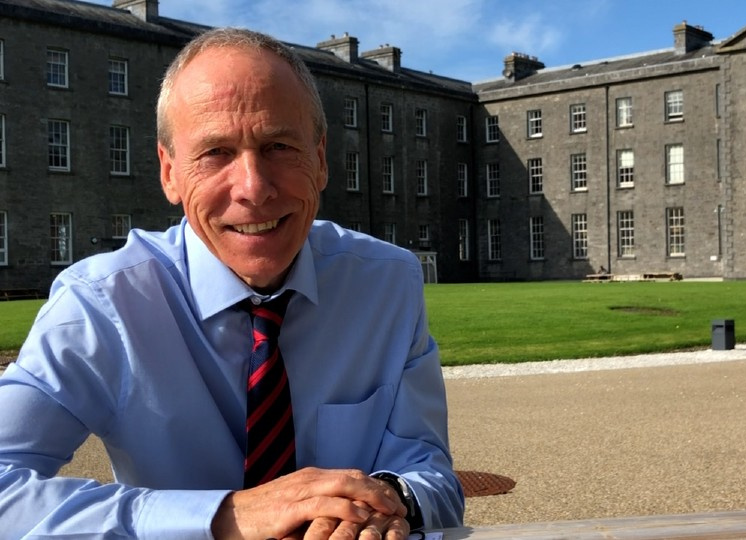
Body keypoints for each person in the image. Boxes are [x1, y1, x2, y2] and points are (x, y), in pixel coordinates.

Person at [0, 27, 464, 539]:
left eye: (279, 145)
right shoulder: (102, 305)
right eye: (216, 152)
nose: (254, 189)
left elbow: (431, 477)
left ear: (322, 159)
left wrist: (384, 500)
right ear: (170, 173)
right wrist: (228, 516)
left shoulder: (385, 283)